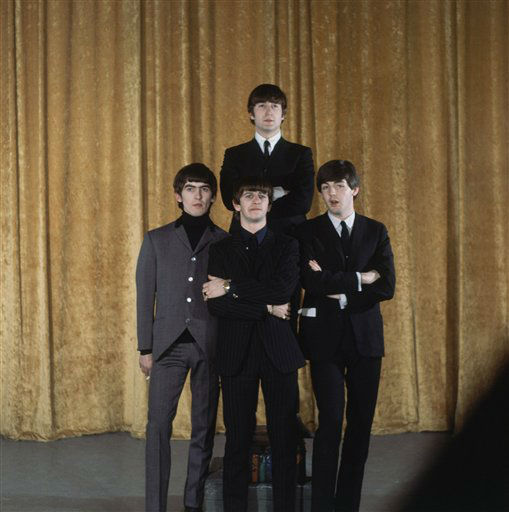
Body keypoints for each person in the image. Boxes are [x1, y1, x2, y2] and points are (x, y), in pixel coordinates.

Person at [296, 160, 396, 512]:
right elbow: (312, 282)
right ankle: (322, 505)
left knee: (359, 427)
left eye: (338, 186)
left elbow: (387, 285)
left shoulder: (375, 230)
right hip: (324, 340)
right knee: (330, 423)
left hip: (366, 341)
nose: (331, 193)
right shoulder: (307, 232)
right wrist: (361, 278)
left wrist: (342, 287)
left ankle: (347, 506)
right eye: (324, 188)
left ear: (354, 189)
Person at [202, 176, 305, 512]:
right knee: (237, 442)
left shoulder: (287, 246)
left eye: (262, 196)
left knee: (285, 440)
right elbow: (216, 305)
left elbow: (283, 291)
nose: (256, 201)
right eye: (248, 196)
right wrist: (266, 308)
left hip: (279, 353)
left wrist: (231, 285)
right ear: (236, 204)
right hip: (236, 355)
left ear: (269, 205)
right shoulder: (219, 249)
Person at [136, 163, 228, 512]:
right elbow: (146, 296)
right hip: (167, 347)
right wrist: (146, 347)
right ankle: (155, 506)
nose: (198, 195)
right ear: (178, 195)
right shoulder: (156, 239)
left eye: (204, 189)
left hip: (209, 344)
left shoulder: (225, 241)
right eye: (190, 188)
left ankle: (193, 504)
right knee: (158, 426)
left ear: (212, 196)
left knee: (203, 430)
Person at [219, 83, 314, 235]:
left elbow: (303, 202)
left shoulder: (301, 153)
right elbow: (229, 199)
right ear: (251, 113)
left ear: (283, 114)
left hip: (292, 235)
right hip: (245, 237)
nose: (269, 112)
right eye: (262, 106)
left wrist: (250, 201)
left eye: (275, 106)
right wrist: (279, 192)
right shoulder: (234, 154)